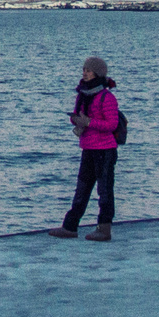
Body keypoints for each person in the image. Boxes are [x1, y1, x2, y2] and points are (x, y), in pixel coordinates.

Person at [48, 56, 120, 241]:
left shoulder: (107, 97)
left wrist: (88, 122)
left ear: (98, 73)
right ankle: (70, 227)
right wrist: (76, 120)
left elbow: (112, 124)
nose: (84, 73)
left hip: (105, 150)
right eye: (84, 70)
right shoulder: (83, 94)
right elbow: (78, 116)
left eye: (88, 70)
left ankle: (104, 229)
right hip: (88, 147)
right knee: (82, 189)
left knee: (104, 190)